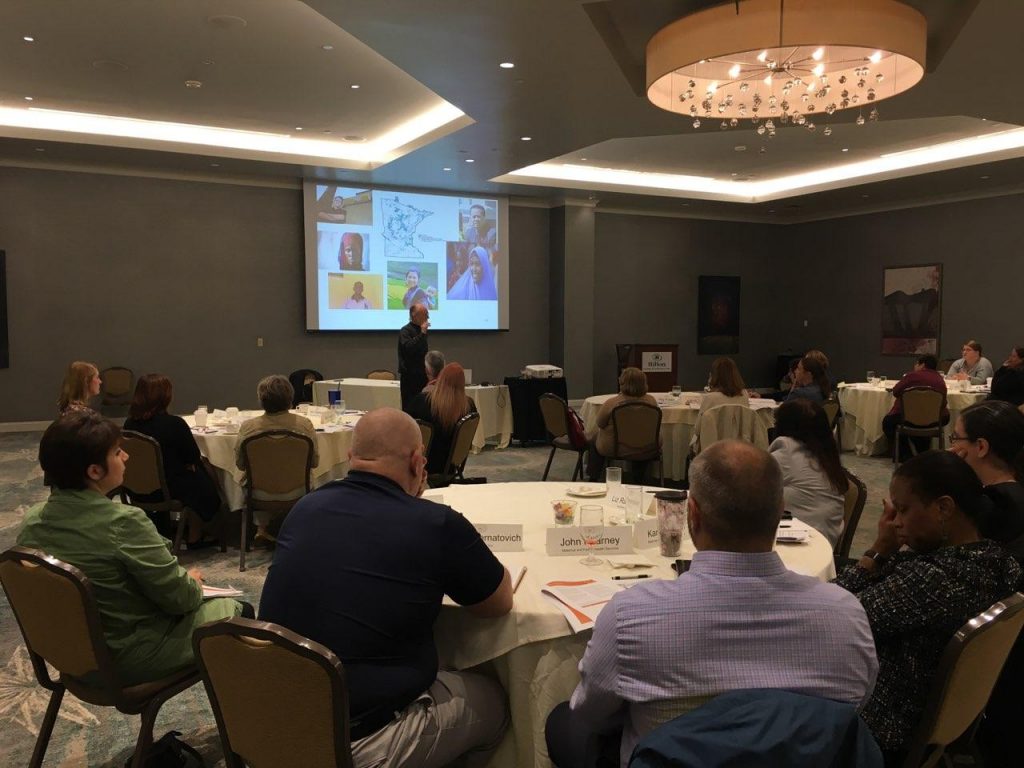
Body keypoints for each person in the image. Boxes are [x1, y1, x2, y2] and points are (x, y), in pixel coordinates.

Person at [547, 440, 878, 768]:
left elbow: (591, 713)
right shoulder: (846, 618)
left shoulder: (629, 617)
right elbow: (849, 712)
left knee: (563, 722)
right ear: (781, 511)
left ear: (692, 514)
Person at [259, 408, 512, 768]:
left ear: (352, 457)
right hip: (358, 741)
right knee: (495, 702)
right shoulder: (436, 524)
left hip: (273, 721)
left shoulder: (304, 508)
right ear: (417, 462)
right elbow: (498, 602)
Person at [17, 412, 247, 686]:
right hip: (124, 658)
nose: (126, 457)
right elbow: (180, 600)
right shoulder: (124, 523)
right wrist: (192, 584)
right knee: (239, 611)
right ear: (94, 471)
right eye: (117, 452)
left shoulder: (32, 521)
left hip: (68, 653)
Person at [833, 450, 1021, 764]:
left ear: (943, 508)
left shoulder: (932, 580)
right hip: (932, 718)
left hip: (882, 726)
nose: (896, 523)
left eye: (903, 510)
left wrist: (877, 551)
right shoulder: (998, 562)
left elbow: (828, 617)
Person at [123, 374, 222, 548]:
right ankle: (195, 535)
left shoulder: (130, 424)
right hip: (168, 488)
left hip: (137, 487)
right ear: (165, 397)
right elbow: (192, 456)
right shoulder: (175, 424)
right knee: (203, 475)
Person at [236, 375, 319, 545]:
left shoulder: (248, 427)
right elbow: (314, 462)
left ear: (261, 399)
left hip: (257, 494)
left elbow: (240, 464)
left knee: (254, 477)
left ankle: (261, 527)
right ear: (290, 398)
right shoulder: (304, 425)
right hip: (298, 491)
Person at [949, 400, 1024, 561]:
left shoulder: (988, 505)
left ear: (981, 447)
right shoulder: (1014, 489)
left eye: (955, 438)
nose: (952, 447)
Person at [770, 399, 849, 546]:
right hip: (826, 538)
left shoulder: (787, 450)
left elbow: (748, 482)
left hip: (801, 542)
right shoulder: (826, 455)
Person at [585, 367, 658, 482]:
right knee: (640, 440)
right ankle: (638, 479)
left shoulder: (612, 403)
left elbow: (600, 424)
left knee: (594, 438)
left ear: (622, 383)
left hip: (616, 448)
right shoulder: (651, 401)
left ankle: (594, 478)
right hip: (646, 447)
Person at [408, 363, 478, 475]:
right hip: (451, 465)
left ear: (440, 379)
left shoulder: (422, 402)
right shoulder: (469, 407)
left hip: (424, 462)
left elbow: (406, 429)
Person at [881, 354, 949, 458]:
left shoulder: (911, 376)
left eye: (916, 364)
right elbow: (943, 403)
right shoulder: (940, 380)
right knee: (921, 425)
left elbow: (895, 391)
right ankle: (922, 454)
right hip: (935, 419)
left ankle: (906, 454)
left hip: (910, 418)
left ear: (922, 365)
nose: (915, 366)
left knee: (888, 423)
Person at [398, 303, 430, 410]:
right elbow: (408, 348)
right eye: (425, 314)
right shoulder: (405, 331)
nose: (428, 317)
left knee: (423, 407)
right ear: (414, 315)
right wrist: (422, 334)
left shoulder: (421, 331)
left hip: (422, 375)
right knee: (410, 408)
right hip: (410, 378)